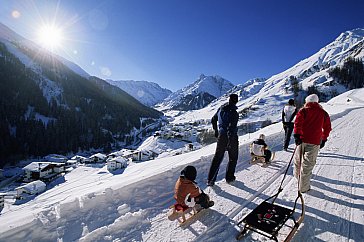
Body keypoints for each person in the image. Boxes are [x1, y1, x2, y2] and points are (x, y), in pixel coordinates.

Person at [293, 94, 332, 193]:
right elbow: (327, 127)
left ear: (307, 101)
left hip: (301, 140)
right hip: (314, 142)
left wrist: (297, 135)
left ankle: (298, 179)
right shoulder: (323, 113)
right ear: (317, 102)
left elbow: (297, 123)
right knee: (308, 165)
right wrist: (324, 139)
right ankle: (303, 187)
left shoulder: (303, 111)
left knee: (298, 161)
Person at [207, 93, 239, 186]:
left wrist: (216, 131)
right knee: (233, 157)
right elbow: (231, 128)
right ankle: (229, 178)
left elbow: (213, 120)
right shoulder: (234, 113)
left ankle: (210, 180)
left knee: (217, 158)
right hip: (230, 137)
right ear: (236, 101)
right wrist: (229, 142)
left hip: (221, 136)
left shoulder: (220, 108)